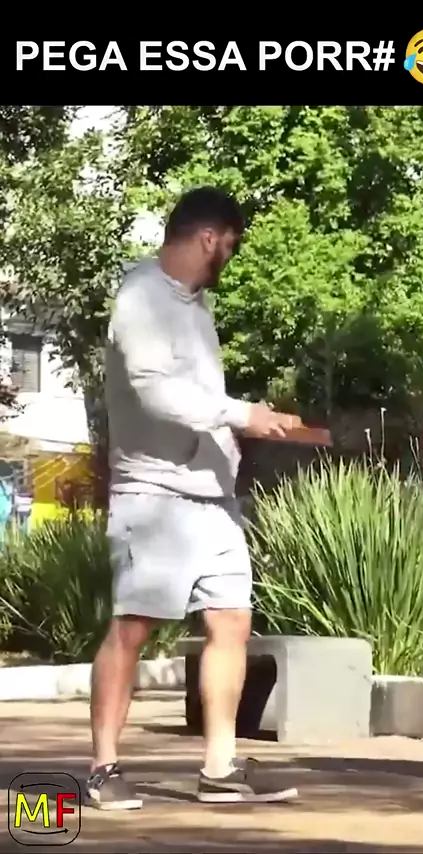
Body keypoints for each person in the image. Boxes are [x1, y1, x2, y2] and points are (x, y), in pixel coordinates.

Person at [86, 187, 300, 810]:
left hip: (214, 500)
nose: (229, 257)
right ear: (209, 237)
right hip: (153, 497)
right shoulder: (141, 298)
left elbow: (203, 400)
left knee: (231, 620)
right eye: (230, 244)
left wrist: (247, 428)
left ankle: (220, 767)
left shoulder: (196, 306)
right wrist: (242, 414)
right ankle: (103, 768)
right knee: (133, 628)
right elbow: (155, 393)